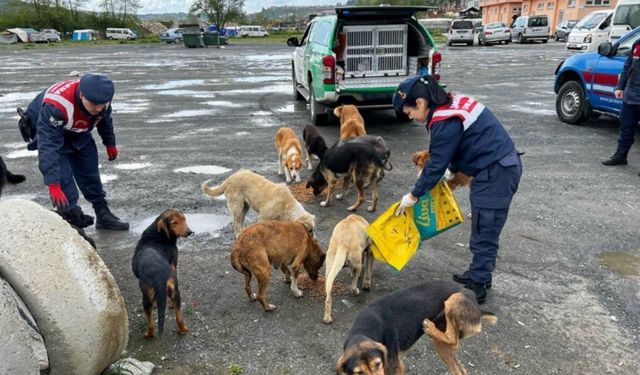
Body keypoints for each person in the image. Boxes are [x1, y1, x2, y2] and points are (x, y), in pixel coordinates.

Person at [392, 75, 522, 304]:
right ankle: (479, 272)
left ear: (421, 103)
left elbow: (435, 165)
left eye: (408, 111)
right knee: (484, 225)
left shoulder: (443, 120)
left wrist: (412, 196)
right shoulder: (450, 103)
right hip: (494, 167)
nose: (409, 116)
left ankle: (478, 286)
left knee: (485, 226)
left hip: (495, 172)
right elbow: (459, 144)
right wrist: (452, 169)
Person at [16, 74, 129, 230]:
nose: (97, 109)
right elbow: (48, 146)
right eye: (94, 104)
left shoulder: (103, 102)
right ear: (82, 95)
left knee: (89, 170)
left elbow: (105, 120)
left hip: (76, 128)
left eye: (101, 105)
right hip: (46, 127)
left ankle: (103, 214)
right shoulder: (57, 106)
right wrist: (53, 184)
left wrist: (110, 143)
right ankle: (73, 224)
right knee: (64, 182)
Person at [602, 38, 640, 168]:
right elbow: (628, 66)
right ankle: (620, 156)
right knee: (626, 127)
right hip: (631, 95)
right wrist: (620, 87)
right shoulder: (638, 43)